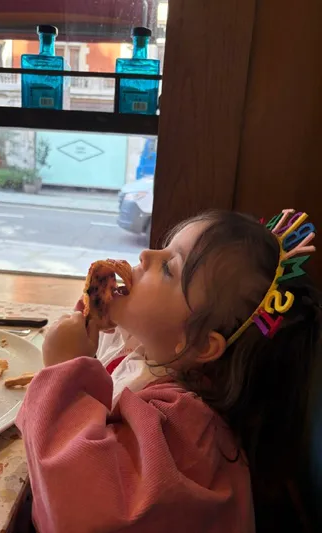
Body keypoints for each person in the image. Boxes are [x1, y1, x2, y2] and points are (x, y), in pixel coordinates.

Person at [16, 209, 321, 533]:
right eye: (163, 248)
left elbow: (79, 504)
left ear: (200, 344)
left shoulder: (187, 433)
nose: (146, 255)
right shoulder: (157, 351)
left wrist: (64, 368)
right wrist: (93, 327)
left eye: (168, 269)